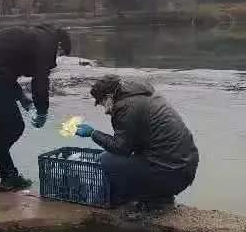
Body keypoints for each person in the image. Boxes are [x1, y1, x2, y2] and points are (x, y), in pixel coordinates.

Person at [0, 24, 71, 190]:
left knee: (2, 130)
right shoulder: (45, 44)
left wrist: (23, 99)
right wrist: (42, 112)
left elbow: (5, 70)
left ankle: (9, 176)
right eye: (60, 54)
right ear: (58, 45)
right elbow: (40, 82)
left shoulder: (34, 37)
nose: (56, 59)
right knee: (14, 128)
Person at [75, 74, 199, 206]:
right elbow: (133, 145)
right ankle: (157, 197)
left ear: (109, 97)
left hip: (171, 173)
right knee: (121, 159)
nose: (105, 111)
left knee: (106, 160)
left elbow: (121, 148)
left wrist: (93, 133)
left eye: (102, 103)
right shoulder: (143, 96)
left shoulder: (126, 107)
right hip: (184, 170)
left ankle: (119, 199)